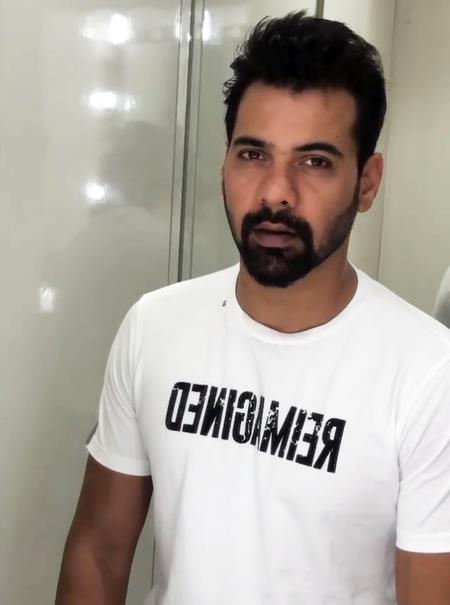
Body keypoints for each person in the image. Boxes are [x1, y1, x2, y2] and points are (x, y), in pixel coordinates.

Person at [55, 11, 450, 605]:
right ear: (225, 161)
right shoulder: (155, 326)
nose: (275, 193)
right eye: (253, 155)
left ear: (367, 183)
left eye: (315, 161)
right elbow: (99, 550)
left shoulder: (428, 373)